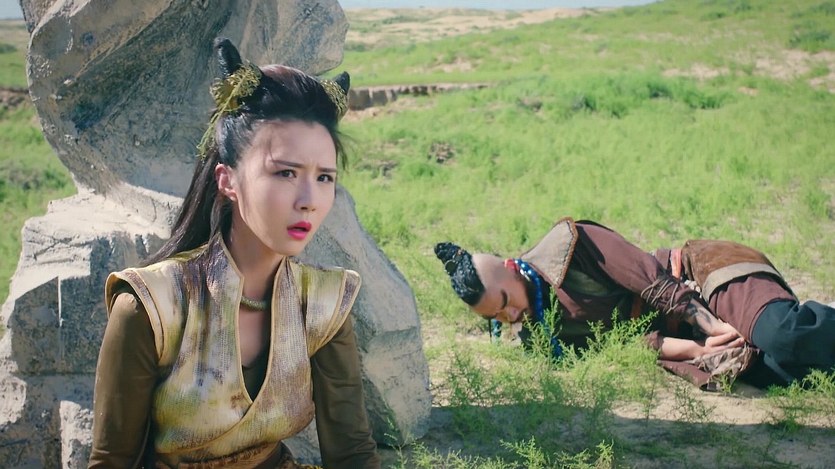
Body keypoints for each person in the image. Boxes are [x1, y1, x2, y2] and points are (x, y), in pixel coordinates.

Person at [88, 38, 380, 468]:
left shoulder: (324, 302)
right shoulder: (153, 305)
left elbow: (351, 453)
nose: (309, 200)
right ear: (227, 180)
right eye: (286, 173)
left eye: (324, 178)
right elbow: (112, 460)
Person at [435, 217, 835, 386]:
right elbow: (628, 342)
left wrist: (714, 325)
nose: (510, 315)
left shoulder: (568, 244)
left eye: (505, 300)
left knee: (781, 335)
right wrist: (700, 349)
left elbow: (652, 282)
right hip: (689, 333)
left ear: (509, 266)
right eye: (497, 317)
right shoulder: (543, 336)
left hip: (701, 277)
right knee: (779, 371)